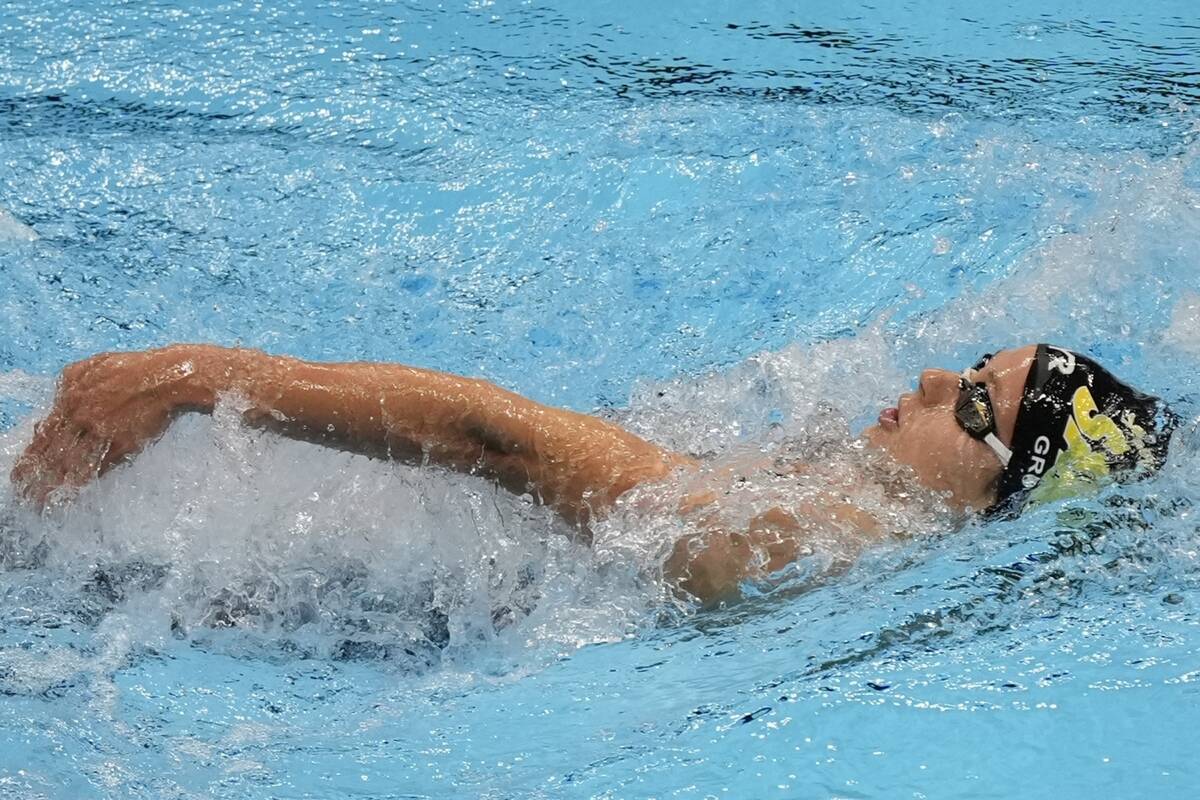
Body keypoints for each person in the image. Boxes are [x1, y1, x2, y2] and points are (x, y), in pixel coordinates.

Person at [8, 342, 1175, 605]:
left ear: (993, 488)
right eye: (969, 363)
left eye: (970, 400)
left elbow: (500, 441)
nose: (926, 376)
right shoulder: (874, 521)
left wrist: (190, 379)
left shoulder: (796, 539)